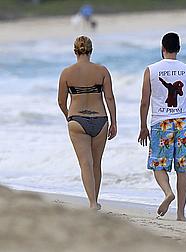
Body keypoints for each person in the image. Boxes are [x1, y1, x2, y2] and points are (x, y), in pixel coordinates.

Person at [138, 32, 186, 222]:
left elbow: (144, 101)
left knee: (158, 164)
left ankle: (168, 192)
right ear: (179, 48)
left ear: (162, 48)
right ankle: (181, 214)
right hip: (184, 122)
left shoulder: (151, 70)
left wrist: (143, 126)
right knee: (182, 169)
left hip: (161, 122)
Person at [58, 36, 117, 210]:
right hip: (100, 119)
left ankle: (92, 202)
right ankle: (95, 200)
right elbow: (109, 97)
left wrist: (70, 116)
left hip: (77, 121)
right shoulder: (102, 71)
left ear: (75, 51)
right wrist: (114, 122)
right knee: (96, 163)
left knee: (85, 163)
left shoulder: (67, 73)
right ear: (91, 50)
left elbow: (61, 101)